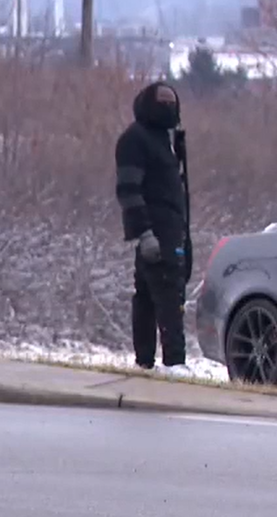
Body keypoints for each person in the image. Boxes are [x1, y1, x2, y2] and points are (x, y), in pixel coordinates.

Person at [114, 82, 192, 376]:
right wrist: (144, 233)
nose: (168, 107)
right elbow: (128, 190)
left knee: (149, 295)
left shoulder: (163, 140)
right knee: (167, 295)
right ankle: (173, 362)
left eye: (172, 102)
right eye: (162, 102)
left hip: (172, 228)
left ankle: (145, 361)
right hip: (155, 231)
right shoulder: (135, 139)